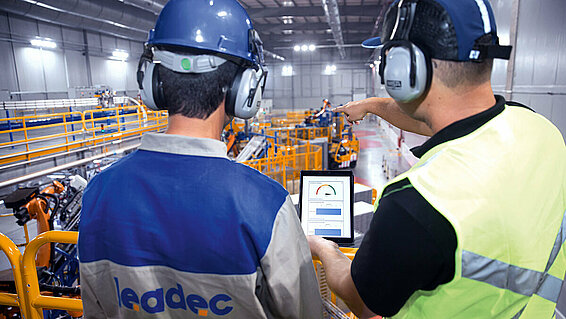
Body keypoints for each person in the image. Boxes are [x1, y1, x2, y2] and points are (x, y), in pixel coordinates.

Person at [310, 0, 566, 318]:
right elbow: (437, 118)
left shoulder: (417, 200)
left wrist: (325, 248)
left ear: (405, 69)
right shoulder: (542, 132)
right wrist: (372, 104)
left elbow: (362, 299)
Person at [78, 0, 323, 318]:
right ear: (244, 89)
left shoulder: (98, 193)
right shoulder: (266, 204)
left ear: (154, 82)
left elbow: (95, 309)